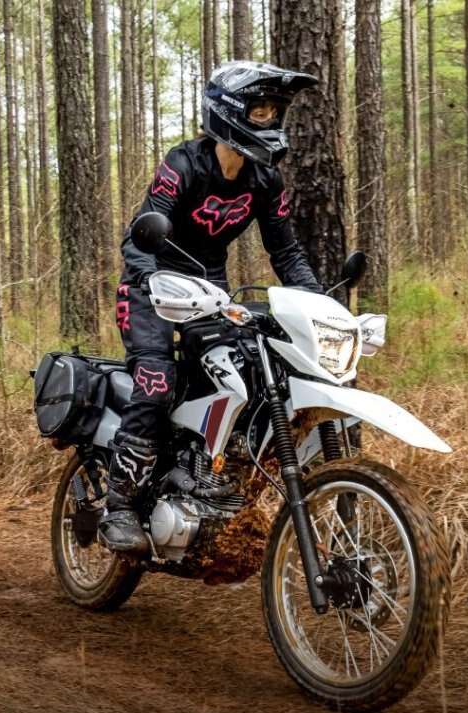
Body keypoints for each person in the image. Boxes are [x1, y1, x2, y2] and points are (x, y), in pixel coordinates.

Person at [99, 60, 325, 554]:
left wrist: (318, 302)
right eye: (261, 110)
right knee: (157, 380)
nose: (270, 119)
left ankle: (203, 473)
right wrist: (152, 278)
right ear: (230, 112)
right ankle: (119, 505)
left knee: (245, 376)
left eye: (275, 111)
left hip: (211, 291)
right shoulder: (183, 164)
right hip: (149, 287)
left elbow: (286, 252)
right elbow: (141, 233)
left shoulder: (265, 180)